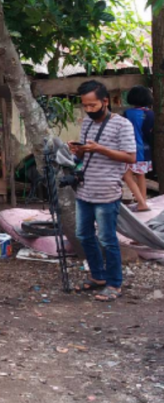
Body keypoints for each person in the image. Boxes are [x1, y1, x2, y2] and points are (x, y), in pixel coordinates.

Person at [68, 80, 136, 302]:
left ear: (105, 101)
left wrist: (100, 149)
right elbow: (83, 157)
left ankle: (114, 283)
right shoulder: (87, 123)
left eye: (93, 105)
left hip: (107, 191)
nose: (88, 110)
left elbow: (130, 157)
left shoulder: (122, 125)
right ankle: (98, 276)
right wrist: (77, 150)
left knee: (107, 239)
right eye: (85, 106)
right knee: (83, 235)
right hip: (84, 189)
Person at [122, 85, 154, 212]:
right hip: (145, 151)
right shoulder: (150, 114)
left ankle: (141, 202)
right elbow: (150, 133)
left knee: (127, 176)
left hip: (130, 150)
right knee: (141, 176)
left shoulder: (127, 113)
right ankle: (143, 201)